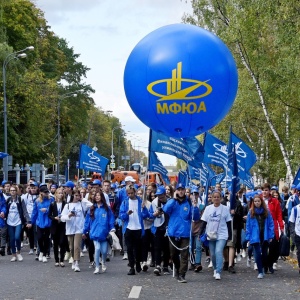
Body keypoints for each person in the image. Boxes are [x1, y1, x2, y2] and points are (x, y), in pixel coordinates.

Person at [163, 183, 200, 283]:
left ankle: (182, 274)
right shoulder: (172, 202)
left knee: (184, 255)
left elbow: (195, 217)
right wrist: (173, 199)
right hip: (173, 232)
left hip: (184, 233)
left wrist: (195, 207)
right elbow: (165, 210)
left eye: (182, 189)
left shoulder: (188, 202)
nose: (180, 191)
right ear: (176, 191)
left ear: (184, 190)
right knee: (173, 254)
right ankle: (178, 268)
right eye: (178, 189)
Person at [200, 190, 232, 280]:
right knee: (213, 254)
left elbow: (229, 222)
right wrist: (200, 232)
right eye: (215, 197)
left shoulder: (225, 209)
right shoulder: (208, 208)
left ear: (221, 198)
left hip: (222, 234)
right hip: (211, 234)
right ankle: (215, 268)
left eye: (218, 197)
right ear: (212, 198)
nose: (216, 198)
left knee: (218, 251)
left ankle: (218, 271)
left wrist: (230, 236)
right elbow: (204, 221)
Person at [119, 184, 149, 275]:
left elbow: (145, 215)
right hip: (128, 228)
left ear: (135, 192)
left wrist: (144, 209)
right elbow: (121, 216)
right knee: (129, 248)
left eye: (132, 193)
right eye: (129, 193)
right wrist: (127, 214)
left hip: (138, 228)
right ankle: (132, 267)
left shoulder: (140, 202)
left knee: (137, 248)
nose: (130, 195)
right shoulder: (125, 202)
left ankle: (138, 263)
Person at [83, 191, 115, 274]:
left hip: (104, 233)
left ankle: (103, 262)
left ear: (102, 197)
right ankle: (97, 266)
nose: (97, 197)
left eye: (99, 195)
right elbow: (87, 221)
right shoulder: (92, 209)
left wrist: (112, 228)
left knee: (104, 251)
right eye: (95, 195)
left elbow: (111, 219)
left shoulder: (107, 208)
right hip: (94, 233)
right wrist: (84, 231)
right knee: (97, 249)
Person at [61, 188, 92, 272]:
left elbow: (91, 205)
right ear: (72, 196)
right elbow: (62, 217)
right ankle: (73, 260)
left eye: (79, 195)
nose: (77, 197)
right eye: (76, 195)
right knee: (71, 247)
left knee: (76, 246)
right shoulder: (67, 205)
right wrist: (69, 215)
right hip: (70, 229)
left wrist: (83, 199)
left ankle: (77, 262)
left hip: (79, 228)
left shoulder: (82, 204)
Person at [246, 195, 274, 279]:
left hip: (264, 235)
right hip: (255, 236)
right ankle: (260, 271)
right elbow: (248, 225)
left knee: (264, 254)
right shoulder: (251, 212)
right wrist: (248, 237)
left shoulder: (266, 212)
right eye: (255, 201)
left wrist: (271, 235)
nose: (257, 203)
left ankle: (264, 267)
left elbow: (271, 224)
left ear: (261, 201)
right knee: (257, 254)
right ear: (253, 203)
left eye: (258, 201)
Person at [261, 183, 284, 273]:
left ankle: (270, 263)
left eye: (266, 190)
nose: (264, 192)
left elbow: (279, 214)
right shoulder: (258, 199)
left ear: (269, 191)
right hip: (261, 225)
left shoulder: (274, 201)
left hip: (272, 225)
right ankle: (264, 265)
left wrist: (281, 226)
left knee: (273, 246)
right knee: (263, 246)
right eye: (263, 190)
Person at [6, 185, 31, 262]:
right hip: (9, 222)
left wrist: (28, 221)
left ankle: (18, 252)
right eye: (11, 190)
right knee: (12, 239)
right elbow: (4, 210)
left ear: (16, 191)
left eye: (14, 190)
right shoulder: (7, 200)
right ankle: (14, 254)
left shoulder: (20, 199)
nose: (13, 192)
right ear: (9, 192)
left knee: (17, 237)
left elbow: (25, 211)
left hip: (18, 222)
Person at [149, 186, 170, 275]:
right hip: (158, 226)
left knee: (166, 248)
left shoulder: (170, 202)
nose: (160, 198)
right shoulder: (154, 202)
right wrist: (155, 214)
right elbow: (150, 215)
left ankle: (165, 266)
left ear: (165, 194)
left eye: (161, 196)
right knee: (157, 247)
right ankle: (158, 265)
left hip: (168, 226)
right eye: (158, 196)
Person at [31, 186, 52, 263]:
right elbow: (34, 212)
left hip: (48, 222)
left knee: (46, 238)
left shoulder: (51, 200)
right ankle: (41, 252)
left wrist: (46, 210)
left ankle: (44, 254)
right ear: (41, 193)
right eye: (45, 192)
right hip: (39, 222)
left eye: (47, 192)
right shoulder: (37, 201)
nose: (46, 194)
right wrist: (31, 222)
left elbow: (53, 209)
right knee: (39, 238)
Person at [48, 187, 67, 267]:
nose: (60, 195)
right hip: (55, 225)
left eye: (62, 193)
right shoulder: (52, 204)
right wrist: (54, 218)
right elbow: (49, 215)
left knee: (62, 242)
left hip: (62, 225)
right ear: (56, 194)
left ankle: (62, 259)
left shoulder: (65, 204)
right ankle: (56, 259)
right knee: (55, 243)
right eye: (59, 193)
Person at [289, 201, 300, 274]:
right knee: (299, 251)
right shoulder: (295, 209)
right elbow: (292, 222)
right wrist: (293, 234)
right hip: (298, 233)